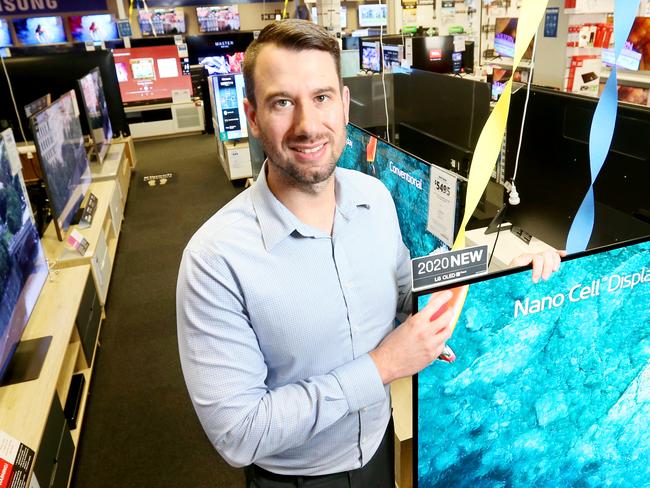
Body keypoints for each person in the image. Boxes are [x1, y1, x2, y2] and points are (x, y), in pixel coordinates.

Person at [176, 19, 563, 488]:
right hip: (299, 480)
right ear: (253, 117)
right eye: (282, 102)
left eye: (321, 98)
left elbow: (408, 297)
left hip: (382, 450)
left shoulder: (374, 197)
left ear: (343, 103)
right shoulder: (214, 260)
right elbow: (240, 433)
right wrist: (381, 367)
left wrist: (502, 280)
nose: (307, 125)